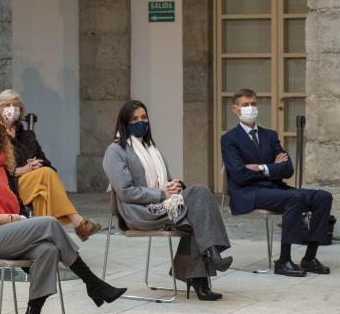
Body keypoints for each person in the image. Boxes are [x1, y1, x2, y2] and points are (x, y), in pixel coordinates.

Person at [0, 112, 126, 314]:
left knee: (48, 250)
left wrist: (19, 218)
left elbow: (20, 205)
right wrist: (13, 220)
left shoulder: (2, 166)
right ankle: (92, 283)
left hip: (8, 233)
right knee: (50, 223)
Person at [103, 100, 233, 300]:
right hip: (139, 212)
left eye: (144, 118)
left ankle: (201, 271)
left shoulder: (152, 148)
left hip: (165, 205)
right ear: (125, 123)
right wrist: (163, 194)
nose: (141, 122)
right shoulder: (115, 151)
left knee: (198, 202)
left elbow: (168, 180)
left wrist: (176, 185)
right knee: (199, 197)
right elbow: (126, 192)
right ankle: (209, 258)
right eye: (135, 119)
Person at [221, 88, 333, 277]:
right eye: (246, 105)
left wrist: (261, 168)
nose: (251, 108)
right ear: (236, 109)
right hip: (248, 193)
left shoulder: (269, 135)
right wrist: (273, 167)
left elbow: (288, 168)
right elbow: (239, 175)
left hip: (274, 189)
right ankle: (284, 261)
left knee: (323, 197)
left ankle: (309, 258)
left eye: (253, 104)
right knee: (294, 198)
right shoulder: (229, 139)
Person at [0, 90, 101, 241]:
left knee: (43, 190)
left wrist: (37, 164)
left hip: (36, 183)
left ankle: (46, 241)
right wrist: (24, 169)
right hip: (11, 186)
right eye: (8, 105)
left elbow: (46, 162)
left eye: (16, 105)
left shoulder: (27, 136)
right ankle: (77, 222)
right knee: (45, 175)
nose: (12, 108)